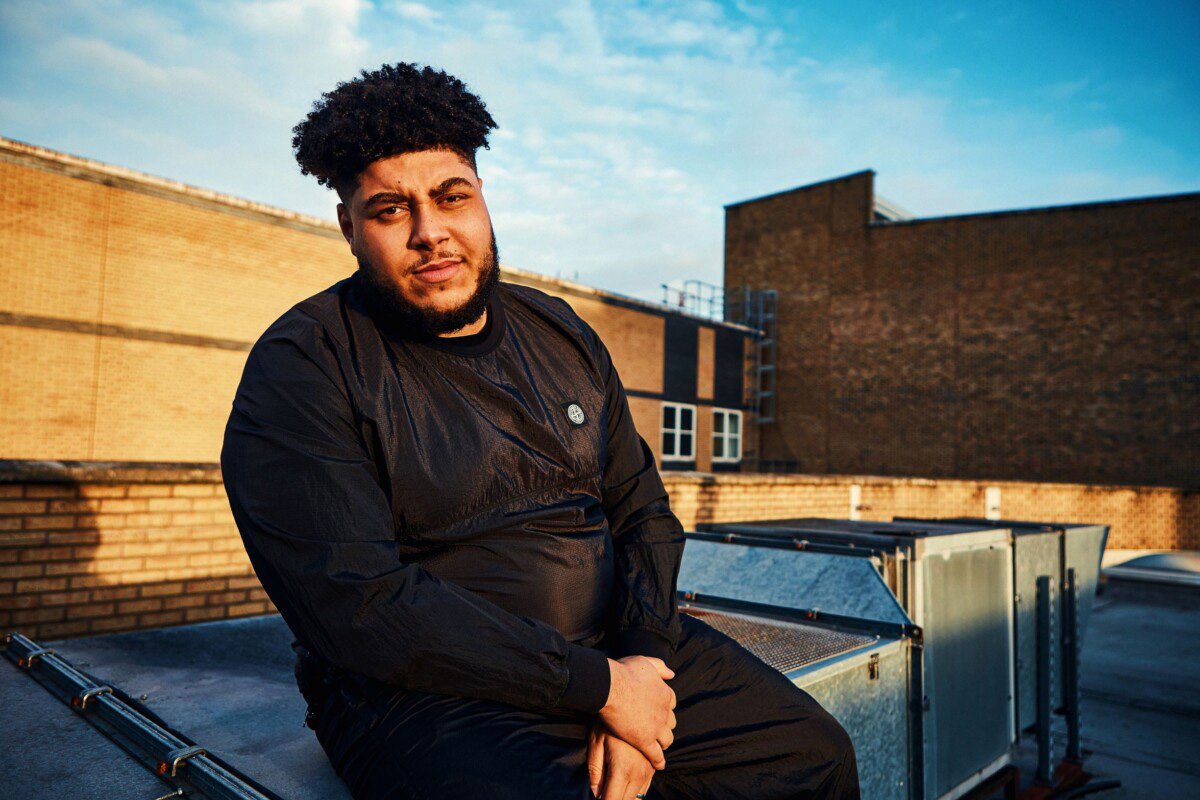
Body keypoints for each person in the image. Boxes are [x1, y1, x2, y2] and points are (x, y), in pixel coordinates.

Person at [221, 63, 859, 800]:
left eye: (450, 197)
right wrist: (601, 692)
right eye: (392, 210)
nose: (431, 232)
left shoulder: (558, 331)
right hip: (425, 696)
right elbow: (360, 606)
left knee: (812, 754)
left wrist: (644, 661)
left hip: (612, 650)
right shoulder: (305, 365)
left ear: (481, 199)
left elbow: (642, 509)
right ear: (350, 227)